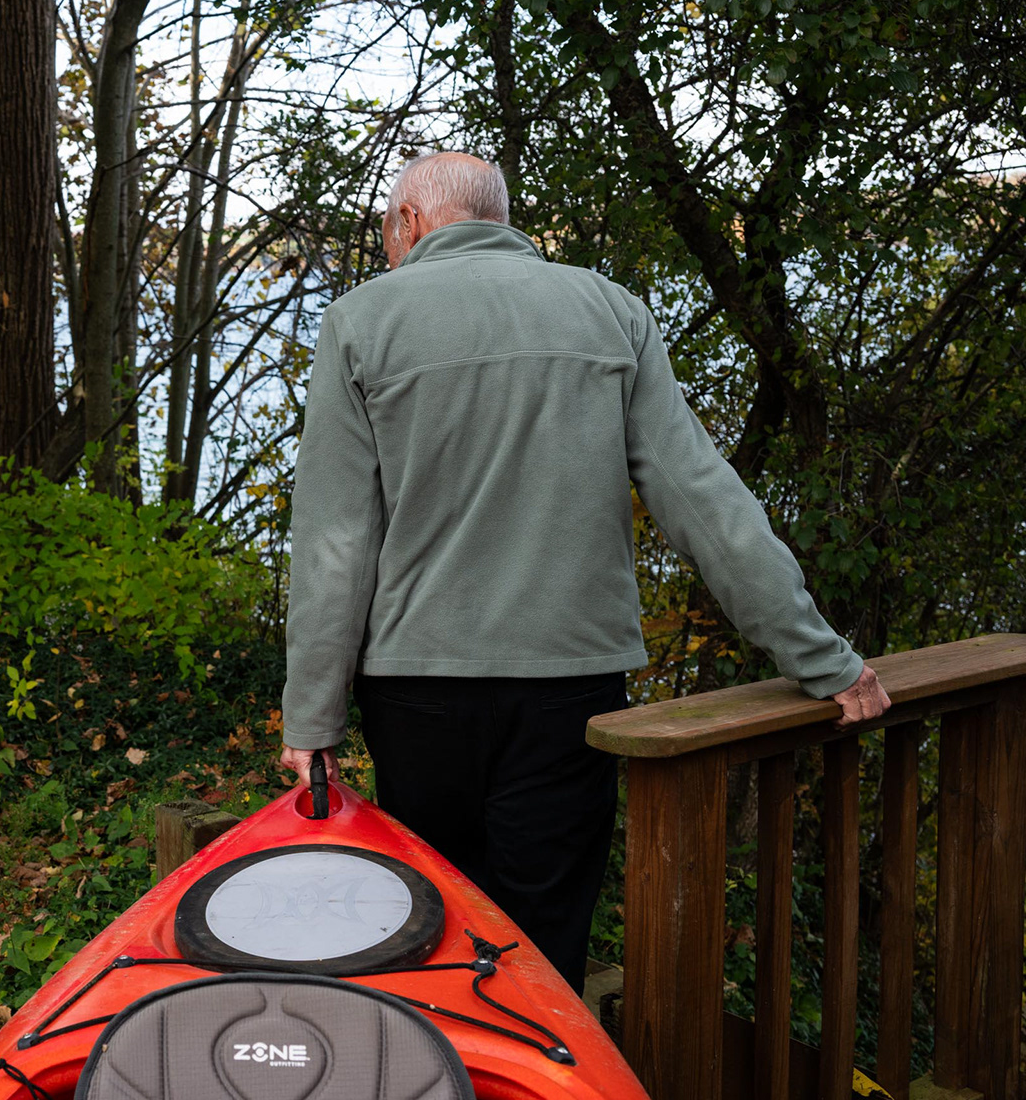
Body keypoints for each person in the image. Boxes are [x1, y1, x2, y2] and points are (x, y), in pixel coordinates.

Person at [275, 151, 890, 989]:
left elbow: (333, 544)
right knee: (544, 935)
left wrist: (313, 722)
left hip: (419, 693)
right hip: (572, 687)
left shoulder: (360, 322)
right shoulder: (609, 311)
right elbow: (704, 503)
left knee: (431, 928)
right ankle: (548, 1099)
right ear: (498, 218)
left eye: (390, 232)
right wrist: (821, 657)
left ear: (411, 223)